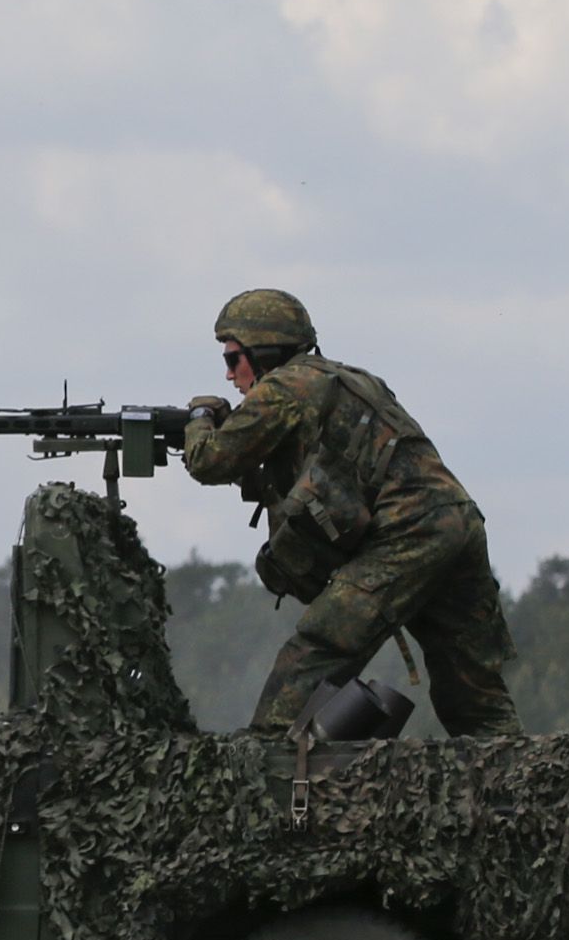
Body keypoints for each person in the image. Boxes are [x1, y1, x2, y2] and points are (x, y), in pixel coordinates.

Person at [181, 287, 522, 738]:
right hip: (455, 522)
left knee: (318, 648)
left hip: (407, 531)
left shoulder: (285, 386)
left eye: (233, 361)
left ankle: (263, 768)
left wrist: (200, 418)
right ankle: (521, 792)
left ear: (265, 354)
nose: (229, 377)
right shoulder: (351, 379)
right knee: (474, 696)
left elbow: (210, 460)